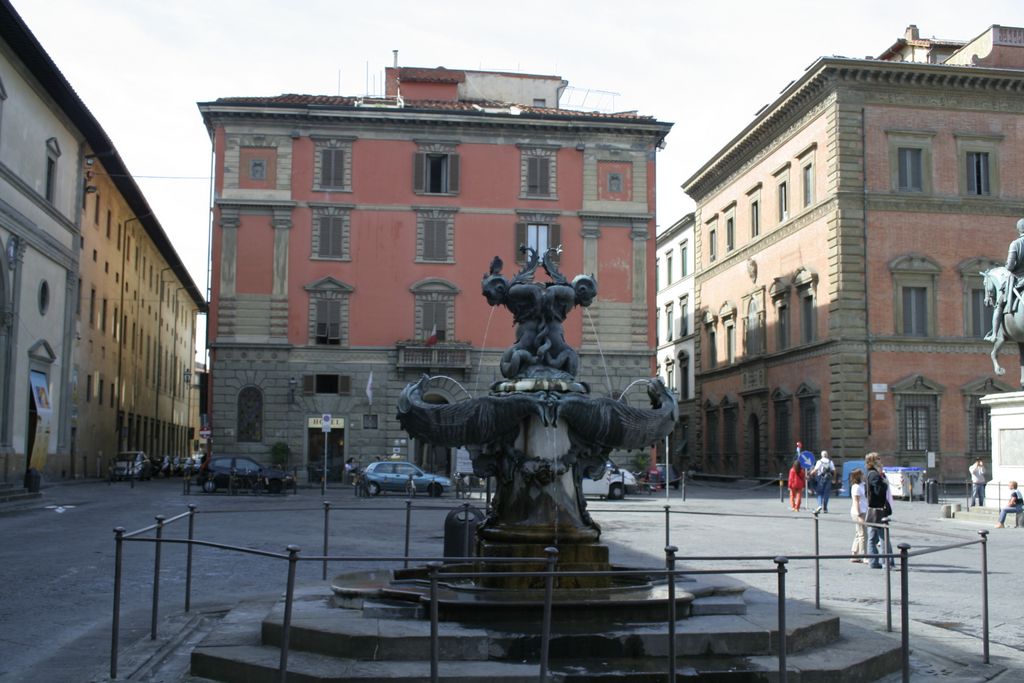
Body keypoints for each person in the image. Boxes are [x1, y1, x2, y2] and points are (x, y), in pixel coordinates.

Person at [987, 218, 1024, 340]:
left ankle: (994, 334)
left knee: (999, 304)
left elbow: (1010, 266)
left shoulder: (1015, 244)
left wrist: (1008, 265)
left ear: (1019, 230)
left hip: (1018, 280)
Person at [865, 452, 894, 569]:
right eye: (878, 459)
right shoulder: (875, 475)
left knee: (872, 537)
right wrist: (885, 484)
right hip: (878, 510)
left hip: (872, 509)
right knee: (883, 537)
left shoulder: (870, 474)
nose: (880, 460)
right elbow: (878, 492)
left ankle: (873, 562)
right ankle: (888, 562)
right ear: (873, 461)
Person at [849, 468, 868, 563]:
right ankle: (863, 555)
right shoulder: (856, 487)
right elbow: (856, 501)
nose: (864, 475)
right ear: (858, 476)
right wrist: (859, 514)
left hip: (862, 510)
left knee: (858, 533)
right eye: (862, 474)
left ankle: (854, 554)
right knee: (863, 535)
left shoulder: (862, 485)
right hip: (858, 512)